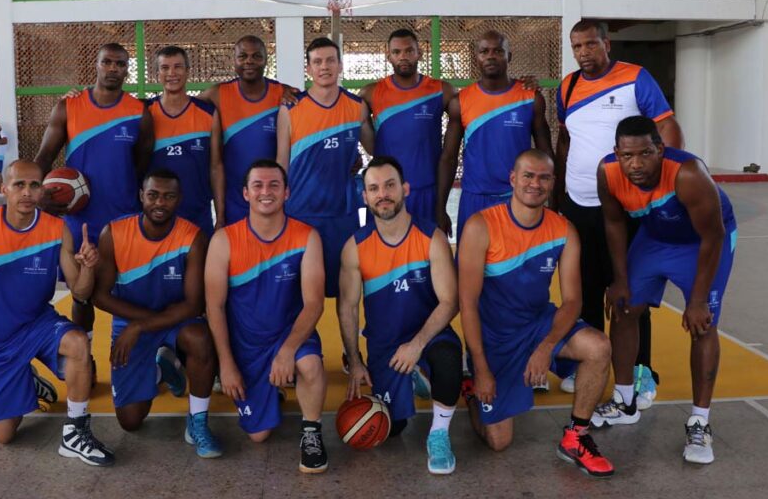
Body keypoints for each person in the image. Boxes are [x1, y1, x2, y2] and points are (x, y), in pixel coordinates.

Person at [0, 160, 114, 465]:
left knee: (78, 343)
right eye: (19, 185)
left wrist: (88, 267)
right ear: (4, 189)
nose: (27, 192)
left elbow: (81, 293)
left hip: (38, 324)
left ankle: (75, 431)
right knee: (5, 435)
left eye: (34, 185)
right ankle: (27, 380)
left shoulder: (57, 229)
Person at [458, 150, 614, 477]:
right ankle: (472, 390)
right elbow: (468, 302)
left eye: (544, 177)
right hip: (496, 338)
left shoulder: (563, 230)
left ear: (553, 183)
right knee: (498, 441)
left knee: (598, 347)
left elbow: (572, 301)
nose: (535, 183)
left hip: (539, 323)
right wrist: (482, 367)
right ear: (513, 179)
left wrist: (545, 347)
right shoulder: (481, 226)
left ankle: (576, 436)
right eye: (528, 175)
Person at [554, 19, 685, 402]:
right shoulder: (568, 86)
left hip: (627, 206)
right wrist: (560, 190)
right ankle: (591, 365)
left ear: (606, 44)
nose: (583, 53)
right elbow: (566, 139)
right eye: (577, 46)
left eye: (591, 44)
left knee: (631, 291)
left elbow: (668, 129)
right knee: (587, 291)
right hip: (579, 203)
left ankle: (641, 373)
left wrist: (664, 186)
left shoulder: (636, 78)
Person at [593, 116, 736, 465]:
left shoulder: (687, 173)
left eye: (645, 153)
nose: (636, 164)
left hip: (701, 243)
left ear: (660, 148)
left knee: (703, 323)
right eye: (627, 155)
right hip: (656, 238)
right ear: (616, 153)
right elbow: (613, 223)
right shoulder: (608, 172)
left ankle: (700, 421)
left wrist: (698, 299)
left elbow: (713, 235)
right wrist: (621, 278)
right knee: (625, 307)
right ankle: (626, 401)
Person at [338, 156, 463, 474]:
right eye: (374, 188)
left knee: (449, 357)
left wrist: (417, 345)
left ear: (405, 188)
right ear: (364, 196)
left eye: (390, 185)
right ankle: (413, 377)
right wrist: (355, 362)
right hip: (386, 346)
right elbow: (348, 307)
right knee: (390, 429)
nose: (383, 194)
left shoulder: (431, 237)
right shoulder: (355, 247)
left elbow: (450, 301)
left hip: (428, 336)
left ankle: (438, 434)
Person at [205, 160, 329, 473]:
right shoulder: (224, 241)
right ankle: (273, 387)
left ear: (286, 192)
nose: (266, 191)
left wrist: (287, 351)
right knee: (258, 435)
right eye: (258, 185)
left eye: (274, 185)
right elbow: (214, 307)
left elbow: (314, 303)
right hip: (247, 345)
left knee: (310, 365)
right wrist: (227, 364)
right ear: (245, 193)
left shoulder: (307, 236)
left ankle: (312, 433)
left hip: (290, 334)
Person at [91, 169, 221, 457]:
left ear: (179, 199)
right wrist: (138, 325)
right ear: (141, 196)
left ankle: (197, 421)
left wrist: (139, 327)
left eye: (169, 196)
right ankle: (163, 370)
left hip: (174, 320)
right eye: (153, 195)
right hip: (132, 320)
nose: (159, 203)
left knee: (199, 339)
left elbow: (193, 305)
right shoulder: (113, 233)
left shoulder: (193, 237)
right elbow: (99, 295)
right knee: (130, 421)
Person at [35, 42, 155, 340]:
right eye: (107, 62)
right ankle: (83, 358)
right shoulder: (69, 106)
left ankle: (136, 358)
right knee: (82, 294)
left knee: (129, 291)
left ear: (128, 69)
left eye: (120, 64)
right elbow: (43, 157)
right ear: (97, 64)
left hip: (123, 220)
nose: (113, 68)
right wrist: (39, 195)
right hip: (80, 221)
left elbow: (141, 167)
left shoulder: (139, 112)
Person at [276, 37, 373, 304]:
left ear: (340, 65)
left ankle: (350, 348)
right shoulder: (290, 109)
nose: (324, 67)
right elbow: (281, 164)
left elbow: (374, 149)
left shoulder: (357, 107)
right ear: (308, 69)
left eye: (330, 60)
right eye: (317, 62)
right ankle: (300, 346)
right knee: (298, 294)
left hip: (342, 215)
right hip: (299, 214)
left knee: (347, 292)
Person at [452, 31, 554, 239]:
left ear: (509, 56)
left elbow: (546, 153)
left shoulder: (530, 97)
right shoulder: (461, 101)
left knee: (514, 266)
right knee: (471, 265)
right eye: (484, 51)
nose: (490, 56)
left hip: (516, 197)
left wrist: (554, 202)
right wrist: (440, 207)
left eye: (498, 51)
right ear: (476, 57)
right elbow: (448, 156)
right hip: (475, 198)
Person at [358, 30, 460, 232]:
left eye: (409, 51)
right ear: (389, 56)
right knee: (385, 258)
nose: (403, 56)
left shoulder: (442, 90)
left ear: (419, 53)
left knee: (428, 257)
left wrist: (441, 207)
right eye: (396, 52)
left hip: (427, 192)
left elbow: (473, 111)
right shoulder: (370, 93)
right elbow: (364, 140)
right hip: (387, 193)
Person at [205, 36, 292, 227]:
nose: (249, 61)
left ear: (266, 60)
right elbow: (185, 109)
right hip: (233, 201)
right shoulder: (218, 94)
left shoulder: (284, 94)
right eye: (242, 56)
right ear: (233, 60)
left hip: (272, 200)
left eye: (256, 56)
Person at [145, 46, 215, 235]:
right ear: (156, 74)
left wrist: (221, 214)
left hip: (197, 215)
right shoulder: (143, 112)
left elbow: (216, 166)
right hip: (156, 218)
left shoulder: (208, 114)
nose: (172, 73)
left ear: (187, 71)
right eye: (165, 68)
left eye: (178, 67)